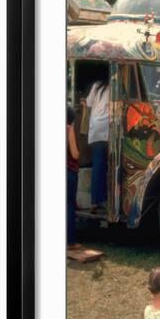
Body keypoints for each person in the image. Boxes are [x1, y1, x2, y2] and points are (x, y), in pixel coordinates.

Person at [82, 67, 110, 214]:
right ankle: (100, 200)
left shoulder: (96, 86)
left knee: (98, 166)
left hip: (95, 129)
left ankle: (95, 201)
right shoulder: (114, 86)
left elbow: (88, 103)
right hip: (106, 130)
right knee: (104, 166)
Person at [67, 106, 81, 250]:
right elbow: (74, 154)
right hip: (69, 172)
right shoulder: (68, 129)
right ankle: (70, 241)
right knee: (69, 206)